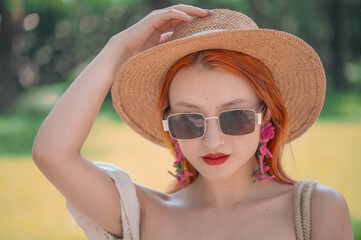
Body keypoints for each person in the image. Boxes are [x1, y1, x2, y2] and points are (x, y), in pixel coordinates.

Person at [32, 4, 354, 240]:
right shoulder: (146, 213)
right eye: (189, 120)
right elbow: (51, 153)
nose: (212, 141)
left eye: (235, 117)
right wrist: (118, 49)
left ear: (265, 115)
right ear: (168, 122)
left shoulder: (316, 210)